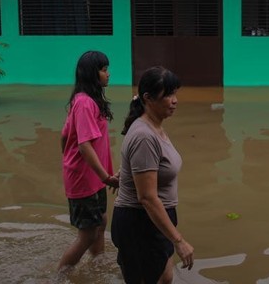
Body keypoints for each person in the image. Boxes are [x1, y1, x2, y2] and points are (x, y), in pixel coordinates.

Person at [111, 66, 194, 283]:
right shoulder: (144, 136)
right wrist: (179, 241)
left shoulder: (154, 126)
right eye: (167, 94)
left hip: (156, 220)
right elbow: (146, 197)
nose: (174, 100)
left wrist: (126, 173)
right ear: (148, 98)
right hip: (140, 224)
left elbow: (148, 163)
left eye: (174, 93)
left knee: (165, 277)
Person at [58, 50, 119, 271]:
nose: (108, 74)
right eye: (104, 70)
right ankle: (60, 274)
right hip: (87, 178)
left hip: (94, 178)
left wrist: (67, 160)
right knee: (87, 234)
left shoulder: (87, 100)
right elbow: (84, 145)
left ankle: (98, 263)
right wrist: (106, 177)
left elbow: (65, 136)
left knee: (101, 223)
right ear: (93, 74)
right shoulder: (84, 103)